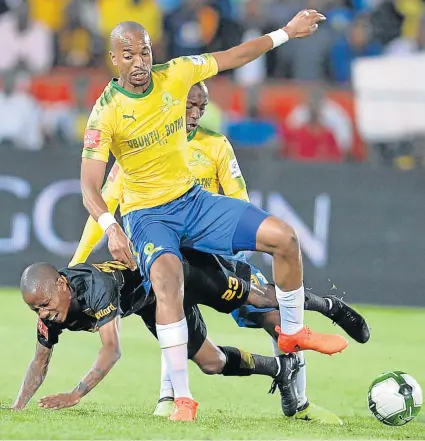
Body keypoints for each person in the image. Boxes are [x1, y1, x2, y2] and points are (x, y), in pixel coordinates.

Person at [80, 11, 348, 421]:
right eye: (129, 55)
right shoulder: (106, 112)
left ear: (154, 53)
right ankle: (181, 398)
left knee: (285, 238)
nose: (139, 63)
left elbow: (234, 55)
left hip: (192, 201)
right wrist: (111, 228)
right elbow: (89, 188)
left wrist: (285, 33)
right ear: (114, 58)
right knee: (167, 281)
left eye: (145, 53)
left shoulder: (177, 74)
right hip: (149, 216)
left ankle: (292, 330)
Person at [12, 251, 368, 418]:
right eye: (36, 310)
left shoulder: (95, 288)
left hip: (185, 273)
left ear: (62, 283)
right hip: (156, 303)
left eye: (44, 304)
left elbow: (111, 349)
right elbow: (40, 358)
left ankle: (327, 305)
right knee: (211, 363)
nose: (43, 314)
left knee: (263, 301)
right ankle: (278, 369)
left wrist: (75, 394)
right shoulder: (52, 310)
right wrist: (18, 407)